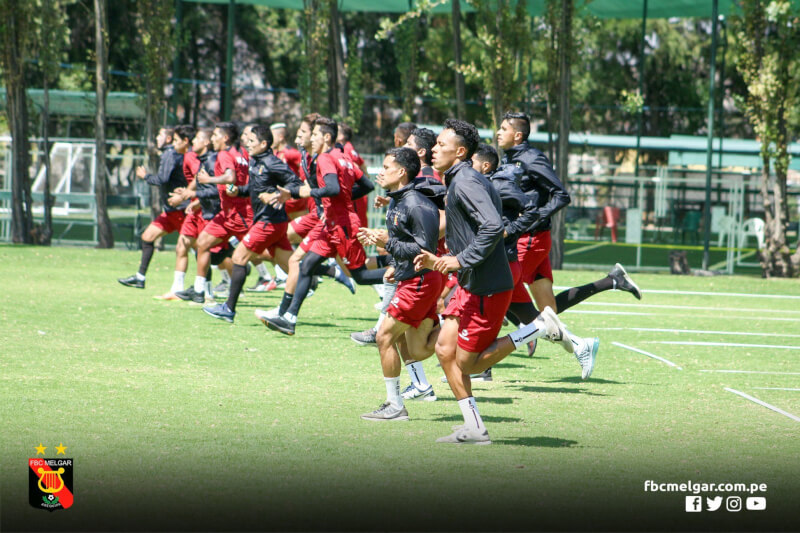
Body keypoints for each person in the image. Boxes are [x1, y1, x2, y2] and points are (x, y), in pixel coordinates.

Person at [413, 119, 570, 445]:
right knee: (443, 348)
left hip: (488, 283)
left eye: (441, 145)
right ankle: (474, 428)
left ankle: (538, 327)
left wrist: (458, 260)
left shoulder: (467, 182)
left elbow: (491, 226)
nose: (433, 149)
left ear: (459, 151)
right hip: (472, 281)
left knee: (467, 362)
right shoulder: (461, 179)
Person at [258, 116, 382, 336]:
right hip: (332, 225)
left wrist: (301, 192)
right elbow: (367, 185)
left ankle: (405, 273)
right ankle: (289, 318)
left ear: (326, 137)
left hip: (342, 226)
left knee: (360, 276)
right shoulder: (343, 157)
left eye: (314, 134)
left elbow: (332, 188)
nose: (311, 138)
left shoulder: (325, 158)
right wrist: (344, 198)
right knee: (306, 266)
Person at [357, 148, 443, 421]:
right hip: (413, 278)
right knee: (418, 350)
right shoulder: (396, 200)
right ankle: (456, 324)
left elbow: (424, 249)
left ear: (401, 172)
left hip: (420, 281)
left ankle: (395, 406)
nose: (380, 172)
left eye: (385, 166)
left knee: (384, 336)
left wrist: (387, 243)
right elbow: (403, 244)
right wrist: (394, 262)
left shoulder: (416, 204)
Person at [203, 125, 303, 323]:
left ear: (264, 144)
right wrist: (238, 191)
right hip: (275, 222)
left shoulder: (272, 162)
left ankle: (228, 309)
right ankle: (296, 303)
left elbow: (296, 183)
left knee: (239, 257)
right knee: (293, 267)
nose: (247, 145)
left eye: (251, 141)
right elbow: (255, 187)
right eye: (247, 141)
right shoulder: (255, 160)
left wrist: (277, 195)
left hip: (269, 222)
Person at [176, 122, 252, 304]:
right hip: (228, 214)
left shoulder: (225, 154)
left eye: (216, 135)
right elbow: (235, 182)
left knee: (266, 252)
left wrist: (208, 179)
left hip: (240, 214)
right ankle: (199, 290)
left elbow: (230, 178)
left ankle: (304, 272)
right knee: (202, 243)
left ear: (225, 138)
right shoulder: (241, 154)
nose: (212, 139)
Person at [118, 125, 192, 289]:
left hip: (181, 210)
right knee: (147, 237)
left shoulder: (169, 154)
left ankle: (206, 286)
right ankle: (140, 277)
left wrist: (145, 176)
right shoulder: (172, 154)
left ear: (167, 139)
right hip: (171, 211)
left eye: (159, 135)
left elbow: (162, 179)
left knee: (199, 250)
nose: (156, 138)